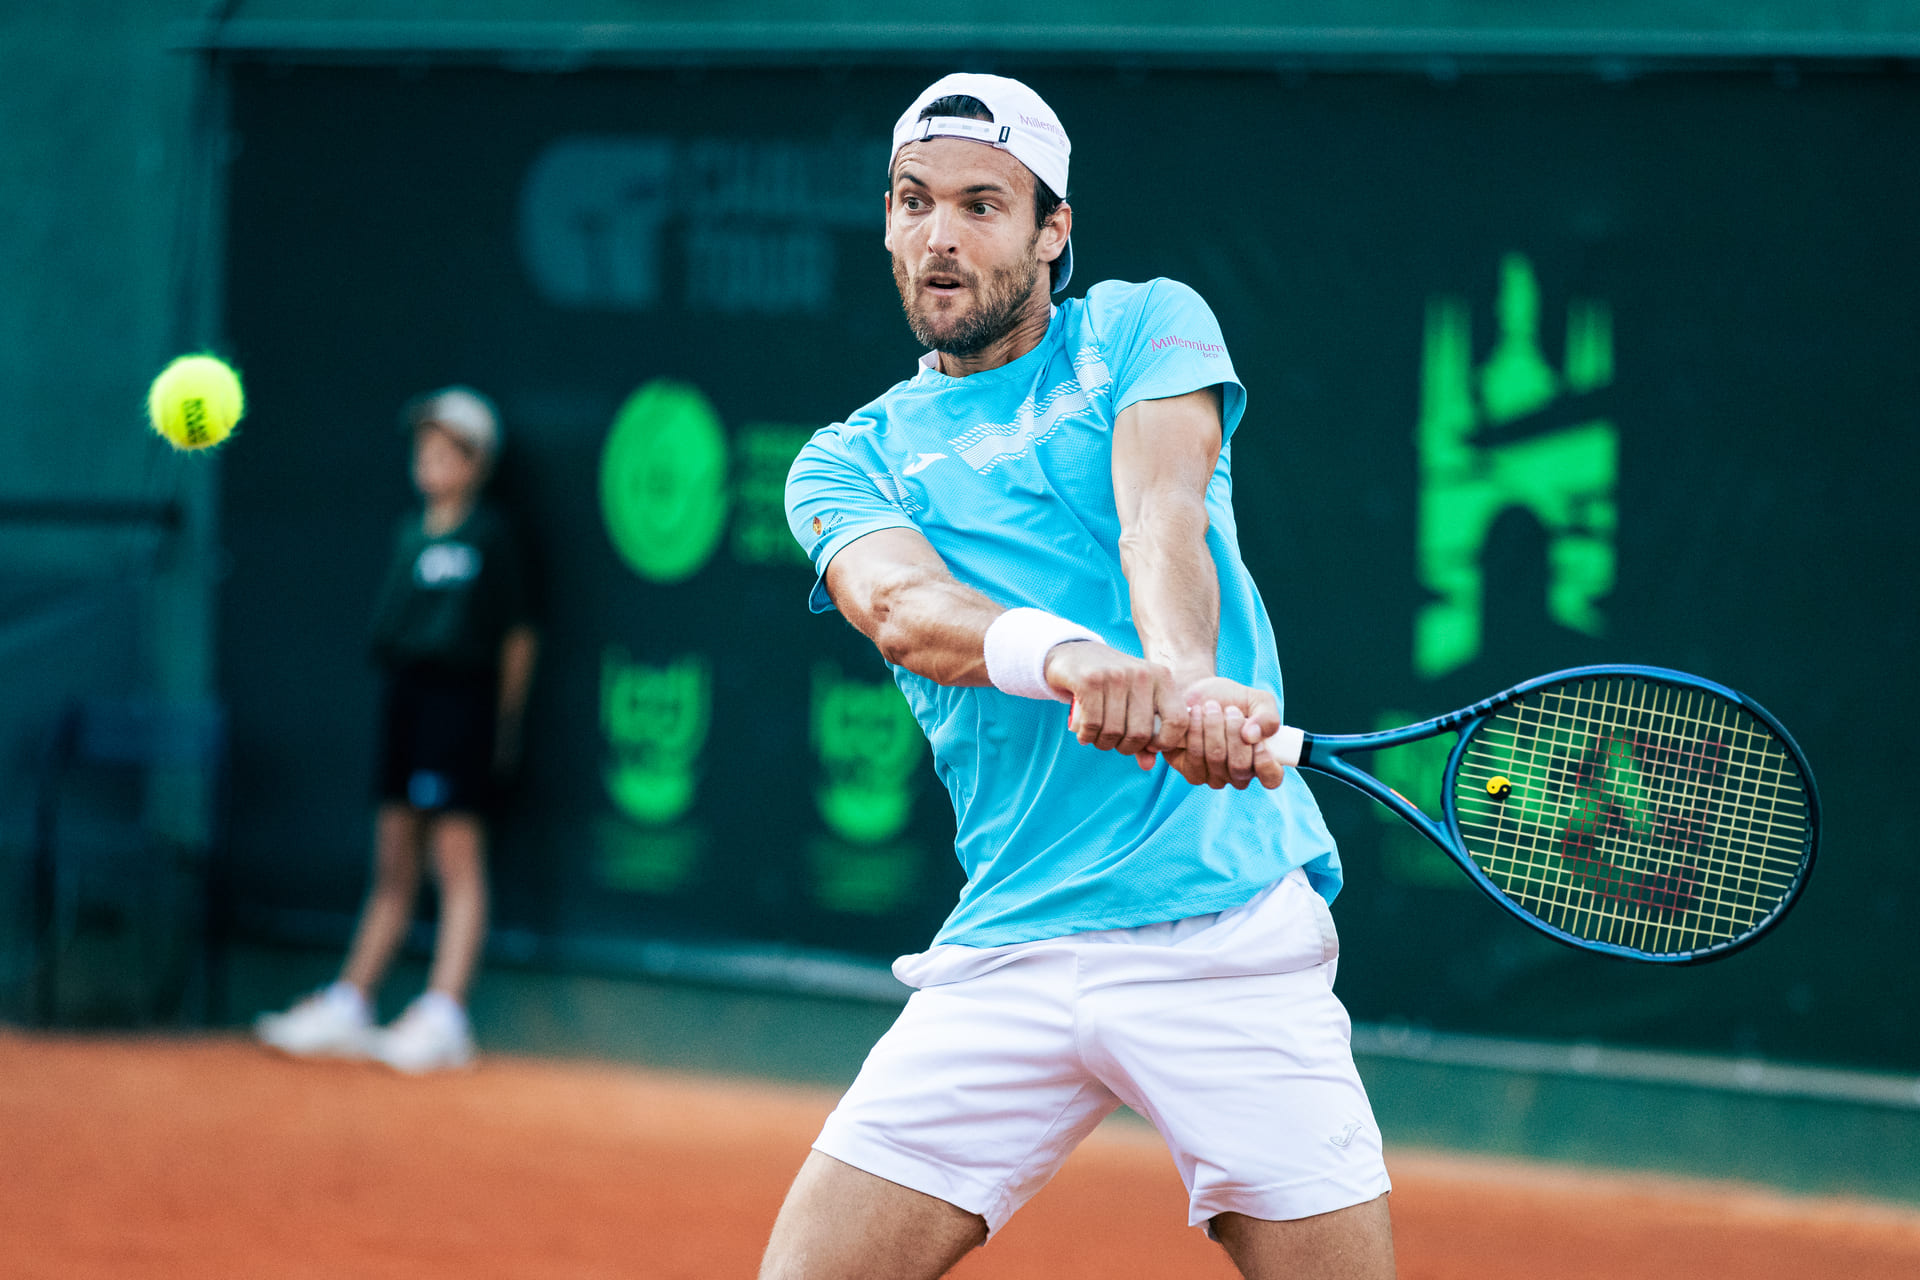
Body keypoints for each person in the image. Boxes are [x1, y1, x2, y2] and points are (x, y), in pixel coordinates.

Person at [765, 75, 1396, 1279]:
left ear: (1054, 230)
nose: (940, 235)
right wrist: (1072, 661)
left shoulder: (1141, 325)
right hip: (1011, 946)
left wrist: (1178, 675)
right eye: (913, 202)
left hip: (1224, 930)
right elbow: (903, 608)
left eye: (982, 204)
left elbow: (1160, 508)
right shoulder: (846, 458)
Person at [255, 387, 538, 1074]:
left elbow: (518, 638)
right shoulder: (410, 534)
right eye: (425, 446)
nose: (432, 458)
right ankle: (351, 1000)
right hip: (406, 701)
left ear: (477, 462)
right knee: (393, 858)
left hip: (462, 705)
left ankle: (445, 1014)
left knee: (456, 860)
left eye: (449, 448)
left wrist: (502, 727)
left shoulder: (490, 537)